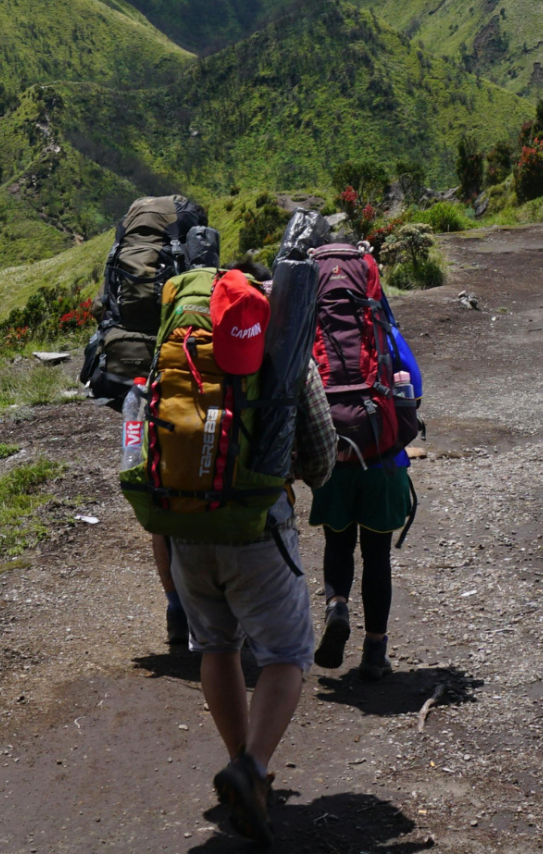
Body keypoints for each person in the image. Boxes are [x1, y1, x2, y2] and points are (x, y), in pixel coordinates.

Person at [151, 264, 336, 846]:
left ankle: (241, 766)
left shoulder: (175, 354)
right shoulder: (278, 348)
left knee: (216, 646)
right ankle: (252, 767)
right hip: (257, 528)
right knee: (286, 653)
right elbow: (322, 457)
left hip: (184, 525)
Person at [305, 236, 421, 683]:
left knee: (337, 543)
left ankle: (337, 606)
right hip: (383, 458)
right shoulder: (381, 329)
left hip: (333, 452)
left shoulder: (310, 331)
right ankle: (375, 652)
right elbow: (415, 387)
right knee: (377, 556)